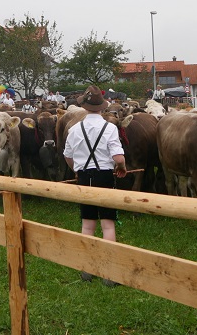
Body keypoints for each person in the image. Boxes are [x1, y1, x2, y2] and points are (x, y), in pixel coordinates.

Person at [63, 85, 127, 287]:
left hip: (84, 178)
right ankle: (109, 274)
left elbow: (67, 155)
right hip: (105, 177)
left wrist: (76, 169)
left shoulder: (74, 129)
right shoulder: (109, 128)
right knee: (107, 224)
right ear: (102, 107)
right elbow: (118, 157)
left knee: (87, 224)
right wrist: (122, 166)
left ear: (84, 106)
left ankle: (87, 270)